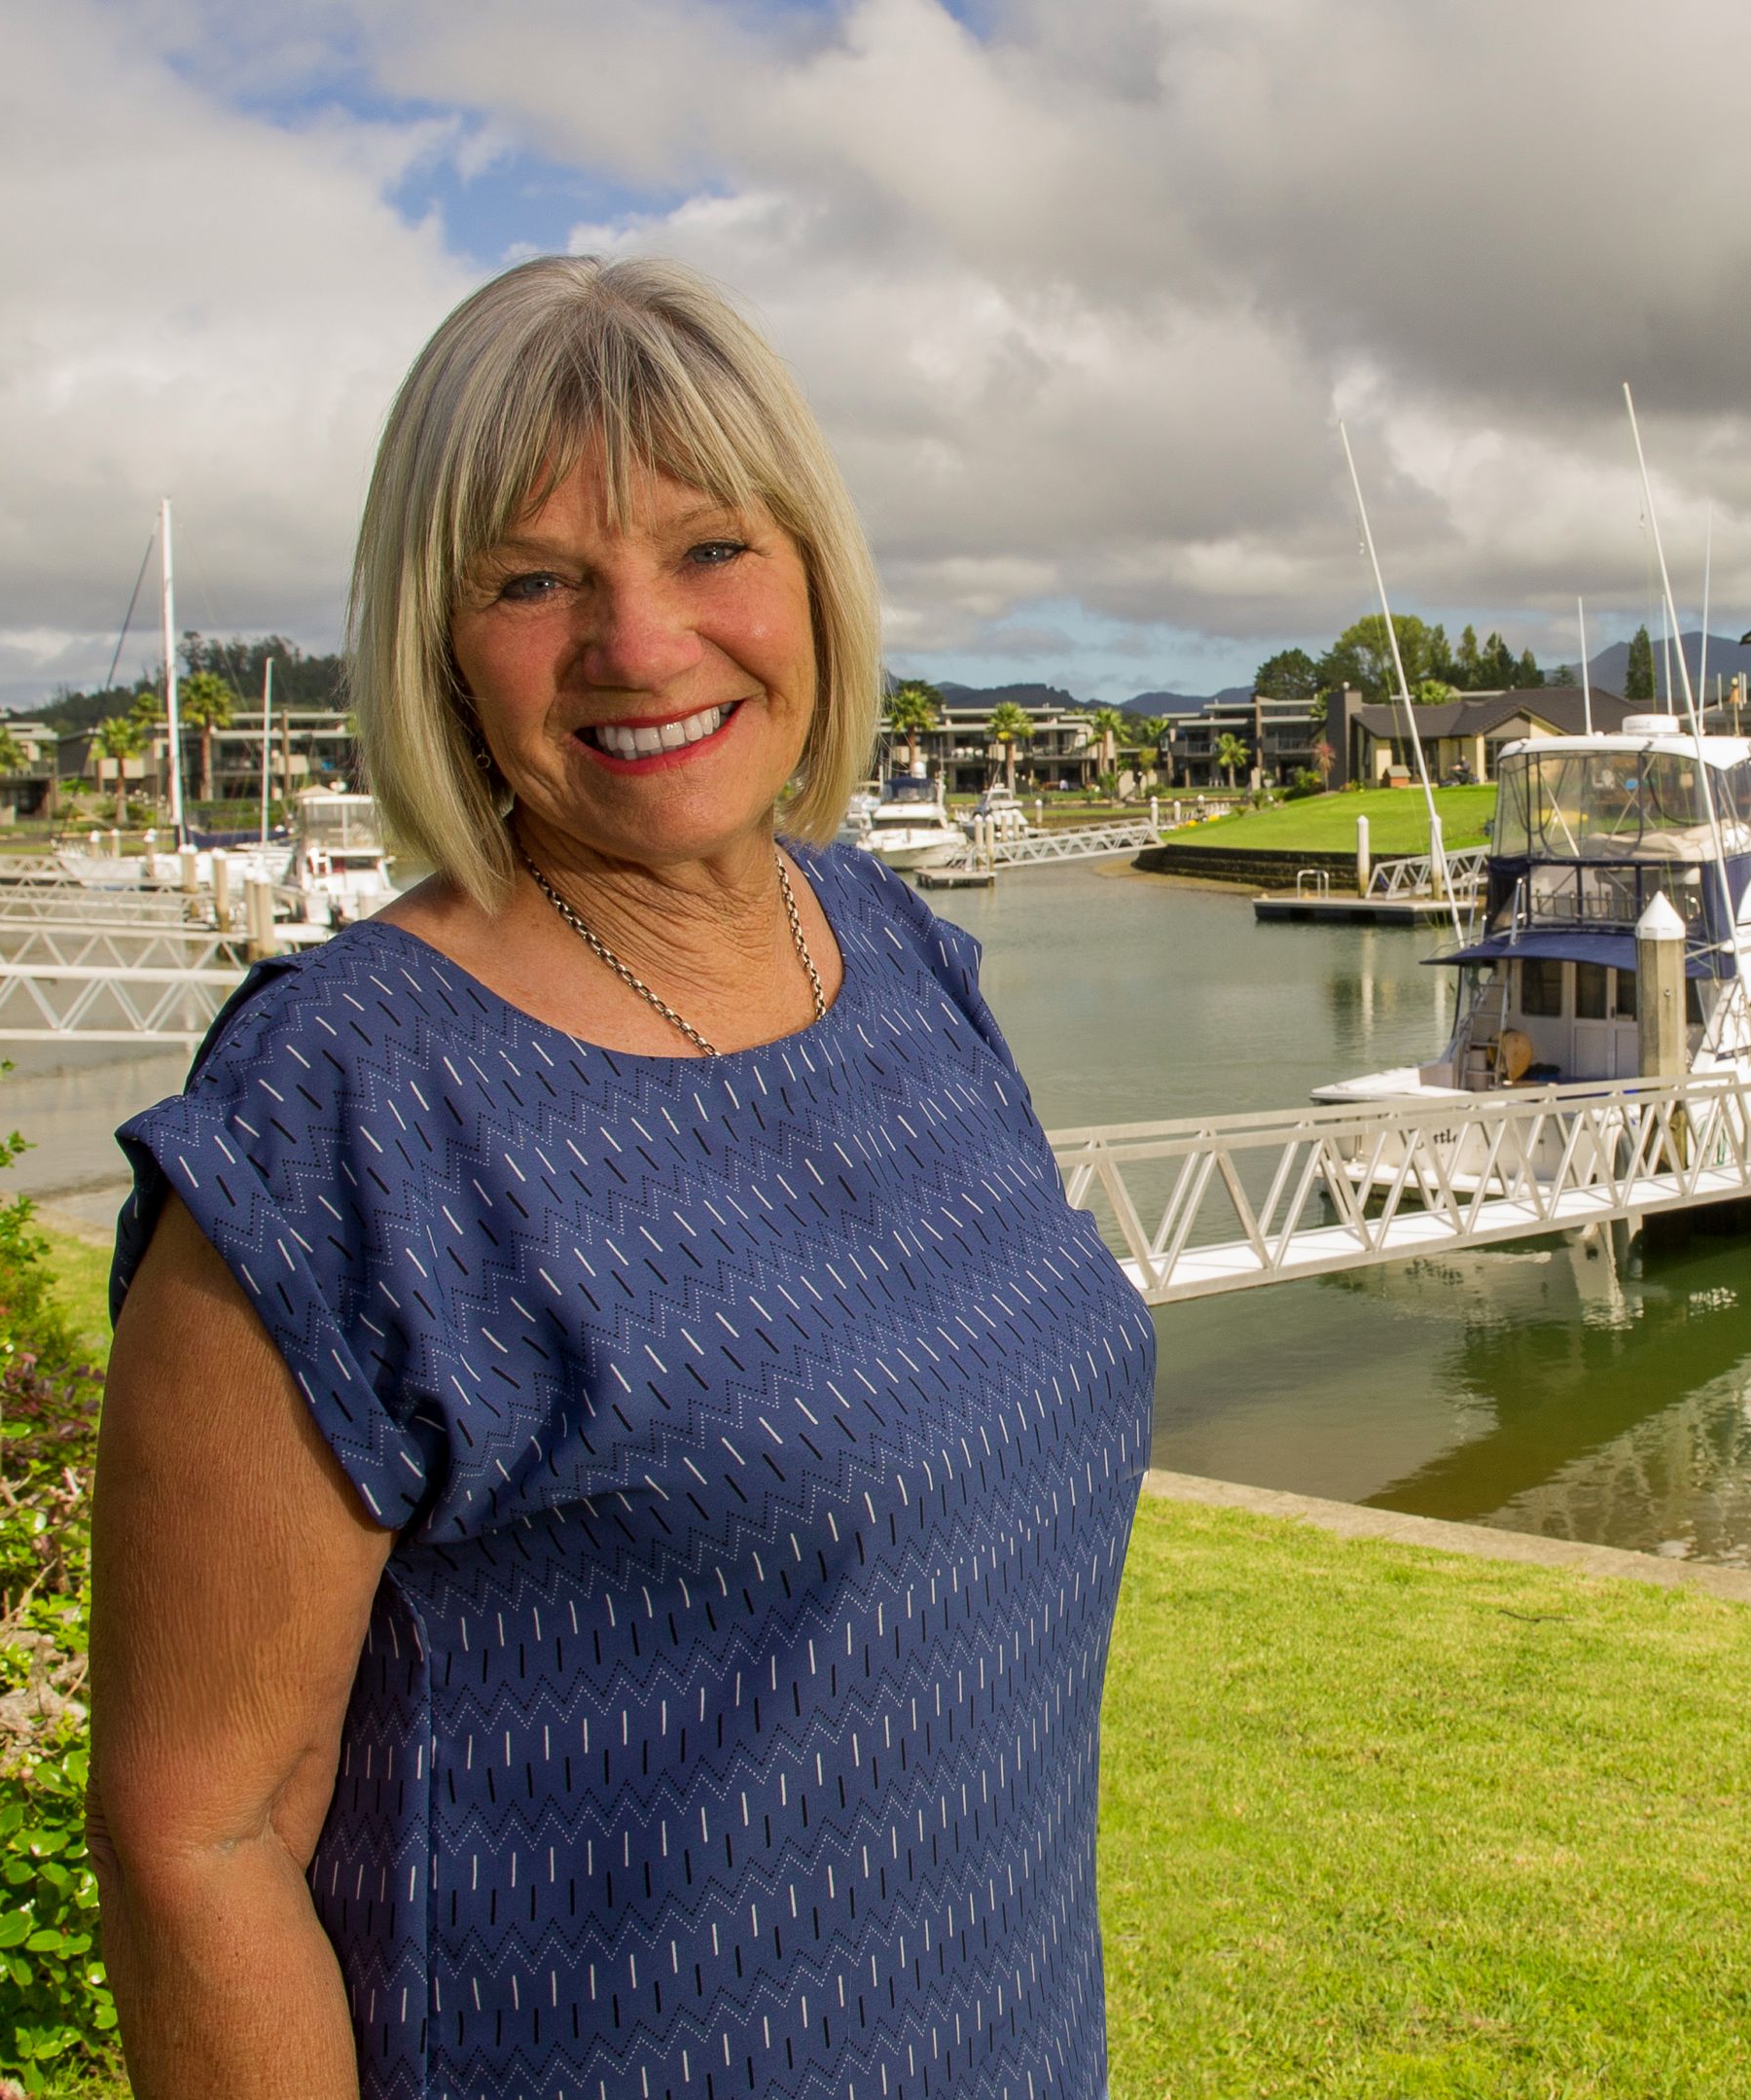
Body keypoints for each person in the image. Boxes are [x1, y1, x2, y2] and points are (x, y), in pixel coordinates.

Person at [87, 255, 1157, 2099]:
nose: (641, 645)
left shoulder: (896, 949)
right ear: (437, 639)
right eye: (532, 579)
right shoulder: (344, 1110)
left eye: (712, 550)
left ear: (815, 573)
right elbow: (198, 1842)